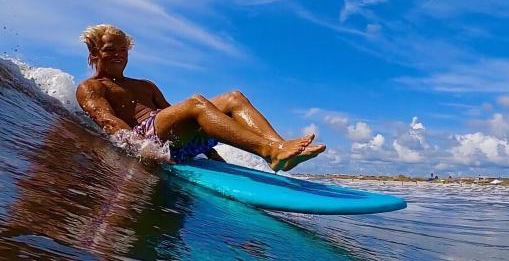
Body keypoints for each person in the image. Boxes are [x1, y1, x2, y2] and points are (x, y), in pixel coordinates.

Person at [76, 24, 326, 171]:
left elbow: (179, 117)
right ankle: (271, 151)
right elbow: (109, 122)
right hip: (147, 141)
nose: (119, 55)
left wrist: (214, 158)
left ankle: (279, 150)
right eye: (111, 50)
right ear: (94, 52)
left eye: (123, 50)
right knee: (196, 102)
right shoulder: (92, 87)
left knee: (233, 97)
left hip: (171, 140)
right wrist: (145, 152)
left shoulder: (145, 85)